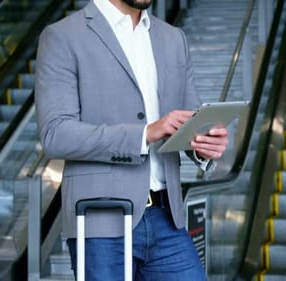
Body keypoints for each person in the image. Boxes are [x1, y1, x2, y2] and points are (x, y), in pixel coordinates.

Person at [34, 0, 229, 279]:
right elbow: (56, 134)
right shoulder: (62, 36)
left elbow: (189, 121)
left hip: (168, 219)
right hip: (100, 220)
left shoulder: (173, 39)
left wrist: (204, 146)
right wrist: (143, 134)